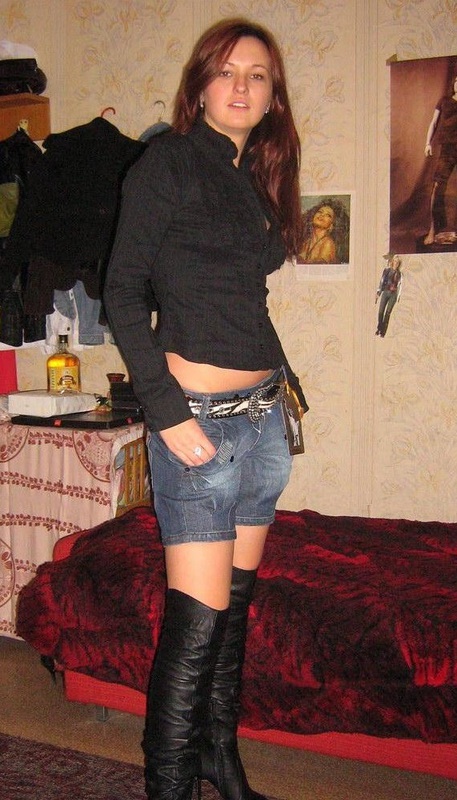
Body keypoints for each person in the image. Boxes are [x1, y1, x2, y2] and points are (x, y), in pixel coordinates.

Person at [103, 17, 307, 800]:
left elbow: (241, 300)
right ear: (199, 86)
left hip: (261, 422)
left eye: (257, 74)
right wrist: (167, 413)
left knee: (231, 617)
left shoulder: (251, 175)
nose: (241, 85)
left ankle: (220, 763)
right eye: (226, 71)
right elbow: (123, 293)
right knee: (193, 629)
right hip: (197, 422)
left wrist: (280, 396)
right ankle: (169, 786)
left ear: (273, 95)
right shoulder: (168, 162)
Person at [423, 73, 457, 245]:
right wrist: (427, 143)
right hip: (447, 149)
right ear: (454, 83)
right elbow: (433, 122)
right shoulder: (444, 101)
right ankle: (433, 229)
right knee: (437, 187)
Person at [298, 197, 349, 264]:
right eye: (320, 212)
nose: (322, 215)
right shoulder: (306, 242)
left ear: (331, 225)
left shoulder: (328, 243)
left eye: (328, 215)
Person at [375, 253, 402, 337]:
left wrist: (398, 296)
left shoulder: (399, 274)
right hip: (386, 292)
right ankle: (379, 328)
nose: (396, 263)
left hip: (393, 295)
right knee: (381, 311)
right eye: (395, 261)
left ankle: (383, 332)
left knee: (387, 313)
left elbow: (400, 285)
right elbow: (382, 281)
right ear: (392, 262)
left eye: (397, 262)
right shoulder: (387, 271)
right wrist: (378, 292)